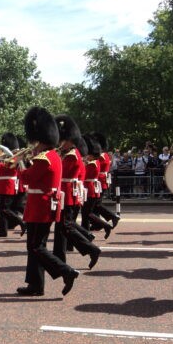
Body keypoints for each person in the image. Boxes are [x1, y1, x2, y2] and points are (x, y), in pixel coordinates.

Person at [17, 106, 79, 297]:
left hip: (40, 206)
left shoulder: (44, 158)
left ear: (41, 141)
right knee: (35, 246)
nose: (33, 145)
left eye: (35, 142)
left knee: (37, 246)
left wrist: (18, 163)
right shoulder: (53, 156)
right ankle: (36, 284)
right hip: (43, 205)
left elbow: (27, 177)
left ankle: (66, 271)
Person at [53, 115, 101, 269]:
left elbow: (60, 172)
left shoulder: (72, 156)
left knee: (65, 226)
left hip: (67, 194)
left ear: (69, 140)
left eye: (62, 140)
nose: (60, 143)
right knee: (62, 227)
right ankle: (58, 257)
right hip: (65, 193)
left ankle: (91, 249)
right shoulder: (69, 154)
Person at [0, 132, 26, 237]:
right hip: (3, 185)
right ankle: (3, 230)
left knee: (5, 209)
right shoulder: (7, 157)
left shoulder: (14, 158)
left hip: (8, 185)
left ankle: (20, 222)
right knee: (3, 209)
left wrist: (0, 161)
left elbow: (6, 167)